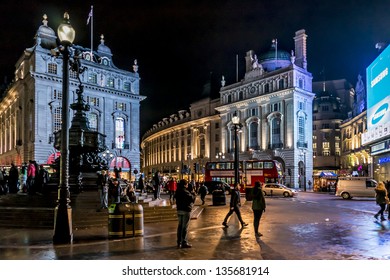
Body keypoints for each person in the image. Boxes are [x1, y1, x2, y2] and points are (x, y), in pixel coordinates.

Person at [174, 179, 196, 248]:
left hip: (179, 210)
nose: (187, 185)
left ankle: (179, 242)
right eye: (186, 184)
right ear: (184, 185)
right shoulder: (185, 192)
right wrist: (193, 193)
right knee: (184, 227)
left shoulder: (177, 191)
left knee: (180, 226)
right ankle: (184, 242)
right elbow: (192, 199)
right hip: (186, 210)